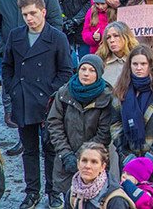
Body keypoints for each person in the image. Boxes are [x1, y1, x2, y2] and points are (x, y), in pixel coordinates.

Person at [2, 0, 73, 209]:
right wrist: (14, 89)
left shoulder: (57, 37)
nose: (29, 18)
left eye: (33, 13)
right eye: (25, 14)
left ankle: (53, 191)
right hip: (23, 100)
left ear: (43, 11)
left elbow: (66, 71)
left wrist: (52, 94)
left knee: (51, 149)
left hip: (49, 103)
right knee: (29, 150)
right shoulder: (15, 36)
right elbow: (7, 66)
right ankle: (32, 191)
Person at [46, 54, 113, 200]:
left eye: (91, 70)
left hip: (93, 160)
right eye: (83, 69)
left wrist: (82, 157)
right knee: (70, 198)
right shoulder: (64, 92)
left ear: (99, 74)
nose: (86, 73)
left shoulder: (107, 96)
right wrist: (66, 153)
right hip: (66, 156)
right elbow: (54, 123)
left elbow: (104, 132)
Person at [110, 46, 153, 189]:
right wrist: (126, 155)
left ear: (151, 65)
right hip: (129, 158)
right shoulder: (120, 92)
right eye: (135, 64)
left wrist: (150, 158)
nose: (139, 68)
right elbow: (115, 126)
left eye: (143, 64)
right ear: (129, 66)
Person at [65, 142, 134, 208]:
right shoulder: (73, 192)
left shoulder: (116, 199)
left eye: (94, 162)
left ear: (103, 167)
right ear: (78, 164)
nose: (87, 166)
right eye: (84, 160)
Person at [95, 21, 140, 87]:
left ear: (126, 37)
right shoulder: (100, 61)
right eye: (108, 37)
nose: (112, 40)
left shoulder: (138, 59)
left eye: (116, 36)